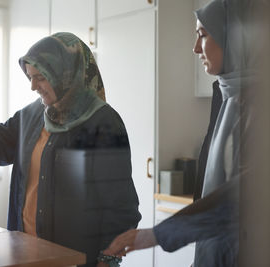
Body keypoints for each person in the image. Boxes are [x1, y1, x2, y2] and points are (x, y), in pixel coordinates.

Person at [0, 32, 141, 267]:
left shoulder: (103, 122)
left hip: (77, 259)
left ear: (64, 74)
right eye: (30, 77)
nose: (33, 86)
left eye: (40, 77)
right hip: (26, 253)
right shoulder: (32, 115)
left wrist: (108, 259)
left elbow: (120, 204)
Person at [103, 0, 261, 266]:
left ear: (235, 36)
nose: (195, 48)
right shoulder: (227, 96)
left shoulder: (266, 108)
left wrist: (158, 234)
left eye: (202, 35)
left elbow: (243, 195)